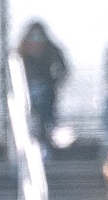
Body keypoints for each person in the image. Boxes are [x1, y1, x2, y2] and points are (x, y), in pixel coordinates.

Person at [17, 21, 69, 149]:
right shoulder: (22, 51)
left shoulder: (51, 49)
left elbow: (63, 68)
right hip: (27, 89)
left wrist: (54, 82)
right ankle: (36, 137)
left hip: (47, 89)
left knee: (44, 109)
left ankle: (45, 140)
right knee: (35, 107)